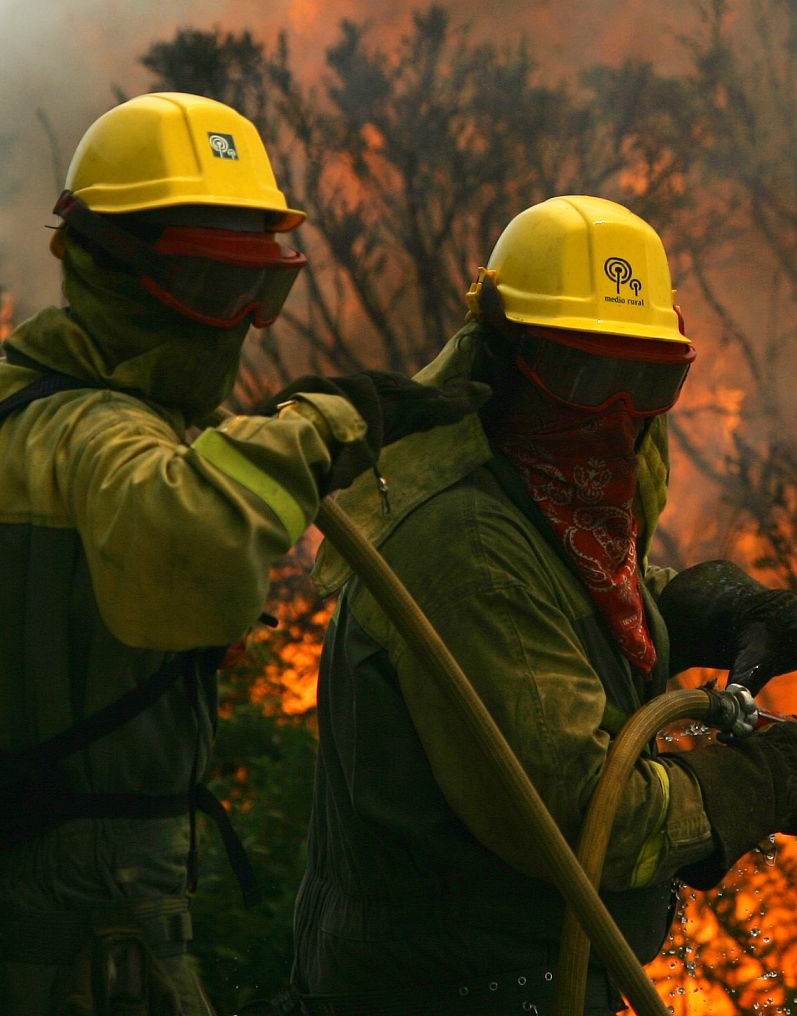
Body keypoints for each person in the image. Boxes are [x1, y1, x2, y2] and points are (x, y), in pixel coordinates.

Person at [290, 195, 797, 1014]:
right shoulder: (467, 546)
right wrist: (763, 775)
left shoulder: (538, 514)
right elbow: (593, 820)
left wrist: (725, 611)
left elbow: (574, 615)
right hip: (451, 995)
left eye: (646, 380)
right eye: (584, 377)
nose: (616, 416)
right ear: (506, 366)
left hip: (538, 988)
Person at [0, 92, 488, 1016]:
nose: (239, 324)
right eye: (212, 289)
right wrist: (322, 424)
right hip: (86, 942)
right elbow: (188, 545)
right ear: (104, 264)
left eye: (261, 292)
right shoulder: (99, 436)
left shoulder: (32, 404)